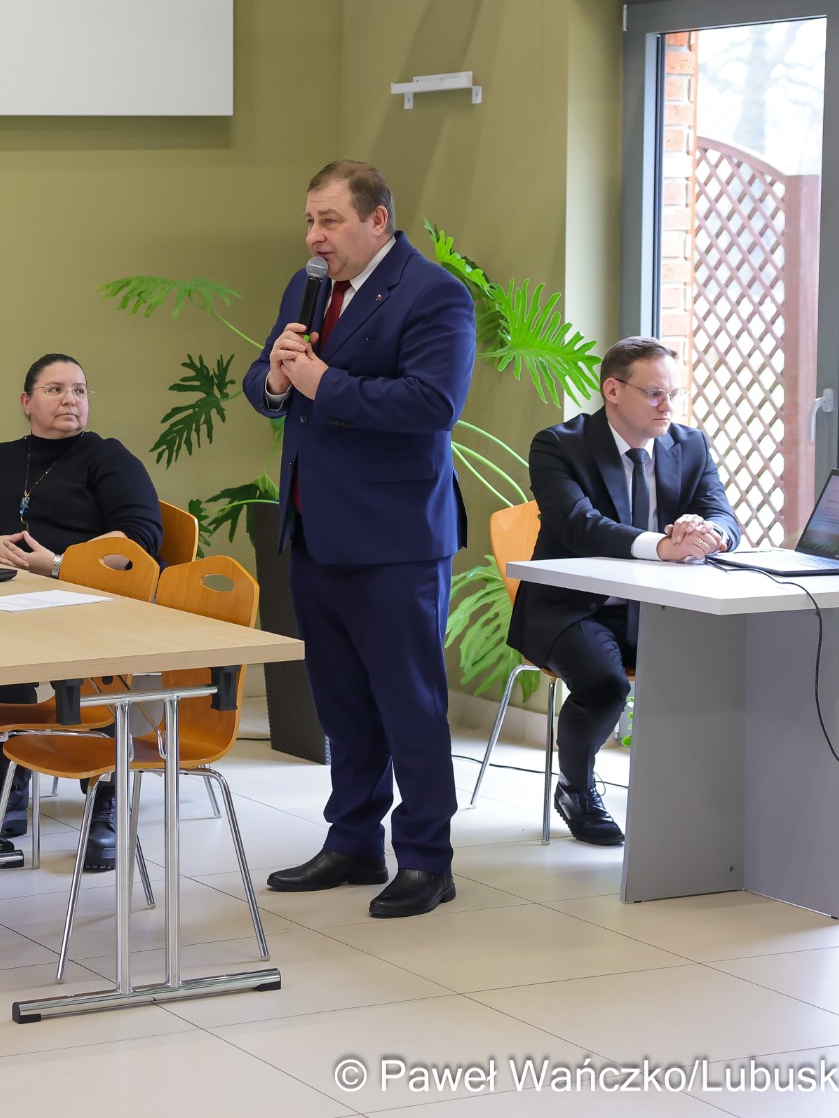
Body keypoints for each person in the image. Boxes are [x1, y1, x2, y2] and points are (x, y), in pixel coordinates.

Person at [242, 160, 476, 919]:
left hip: (395, 538)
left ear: (378, 221)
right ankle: (352, 842)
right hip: (315, 528)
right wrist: (277, 382)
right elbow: (268, 378)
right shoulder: (307, 285)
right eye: (310, 221)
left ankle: (427, 859)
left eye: (330, 221)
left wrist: (320, 383)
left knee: (409, 705)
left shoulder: (434, 294)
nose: (315, 236)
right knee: (341, 704)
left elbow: (432, 404)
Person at [0, 352, 162, 871]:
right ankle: (11, 778)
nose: (71, 399)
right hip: (1, 601)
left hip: (89, 603)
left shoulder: (108, 458)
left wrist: (56, 564)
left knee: (97, 671)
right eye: (56, 389)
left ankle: (105, 798)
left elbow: (139, 540)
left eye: (79, 390)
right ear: (26, 402)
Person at [508, 336, 740, 845]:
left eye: (673, 394)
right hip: (573, 608)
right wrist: (663, 547)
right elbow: (578, 525)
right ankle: (576, 789)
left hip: (662, 608)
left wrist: (708, 533)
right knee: (604, 682)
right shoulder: (558, 445)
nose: (667, 407)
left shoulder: (690, 445)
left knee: (731, 665)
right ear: (612, 390)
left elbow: (723, 514)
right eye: (654, 394)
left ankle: (707, 797)